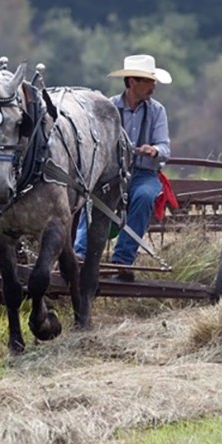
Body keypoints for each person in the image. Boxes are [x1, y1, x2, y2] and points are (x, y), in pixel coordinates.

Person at [74, 54, 172, 280]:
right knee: (91, 199)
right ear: (132, 82)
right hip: (110, 174)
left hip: (143, 174)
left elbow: (165, 146)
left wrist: (155, 151)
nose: (154, 86)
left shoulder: (157, 111)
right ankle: (80, 255)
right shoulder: (106, 108)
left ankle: (122, 261)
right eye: (149, 81)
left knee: (146, 196)